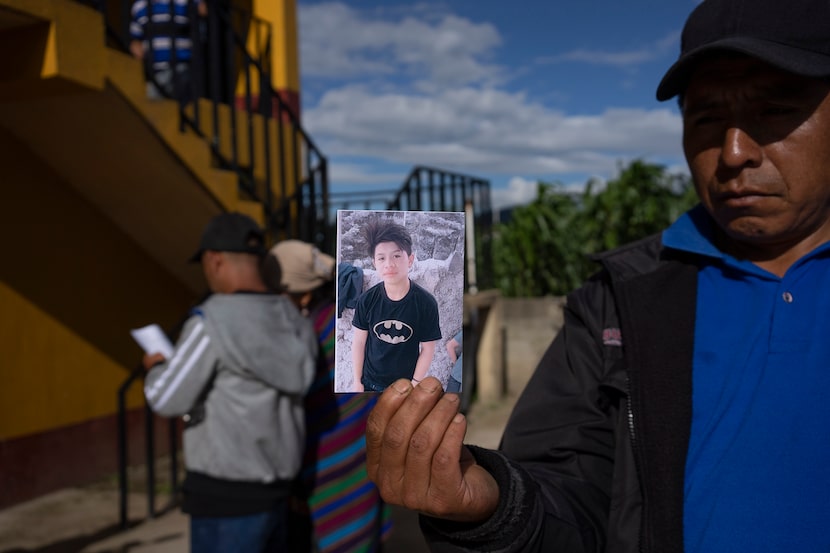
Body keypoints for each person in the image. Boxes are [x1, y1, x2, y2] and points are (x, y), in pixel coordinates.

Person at [364, 0, 830, 551]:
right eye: (705, 119)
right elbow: (567, 485)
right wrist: (493, 507)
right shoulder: (616, 302)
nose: (732, 153)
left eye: (773, 109)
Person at [142, 213, 317, 552]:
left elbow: (166, 399)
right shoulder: (294, 318)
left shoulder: (212, 321)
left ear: (214, 260)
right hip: (280, 493)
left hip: (224, 499)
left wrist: (156, 368)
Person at [264, 239, 392, 552]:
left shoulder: (308, 337)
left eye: (276, 294)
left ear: (303, 294)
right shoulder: (353, 321)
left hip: (324, 464)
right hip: (365, 457)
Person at [351, 218, 442, 392]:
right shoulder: (366, 300)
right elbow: (359, 342)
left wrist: (414, 383)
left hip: (405, 386)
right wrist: (357, 381)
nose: (389, 264)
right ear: (374, 263)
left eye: (397, 255)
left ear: (410, 259)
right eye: (382, 258)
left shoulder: (426, 303)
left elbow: (428, 348)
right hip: (370, 383)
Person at [129, 0, 206, 102]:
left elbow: (203, 10)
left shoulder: (183, 2)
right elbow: (136, 39)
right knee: (156, 108)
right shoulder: (139, 6)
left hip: (181, 67)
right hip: (154, 72)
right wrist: (137, 50)